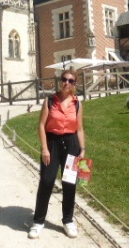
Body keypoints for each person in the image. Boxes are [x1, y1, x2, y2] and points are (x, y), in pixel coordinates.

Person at [28, 70, 85, 240]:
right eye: (64, 79)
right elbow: (41, 125)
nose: (67, 82)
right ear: (60, 81)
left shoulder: (77, 104)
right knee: (46, 181)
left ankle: (68, 220)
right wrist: (45, 148)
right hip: (52, 143)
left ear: (75, 84)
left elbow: (80, 128)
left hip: (71, 144)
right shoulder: (50, 100)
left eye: (71, 80)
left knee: (69, 183)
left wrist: (82, 149)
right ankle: (38, 222)